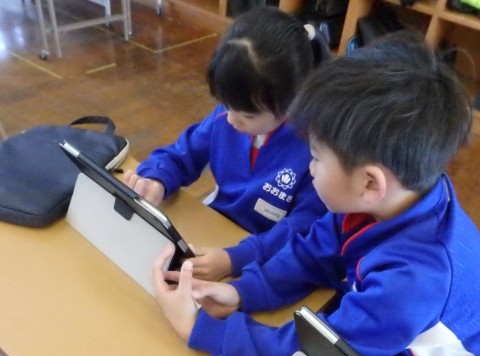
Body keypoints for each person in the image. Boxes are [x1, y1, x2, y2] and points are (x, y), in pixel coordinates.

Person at [152, 29, 480, 356]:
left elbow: (320, 354)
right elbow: (311, 254)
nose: (309, 168)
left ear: (370, 182)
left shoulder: (411, 281)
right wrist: (243, 291)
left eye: (316, 157)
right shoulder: (394, 197)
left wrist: (201, 330)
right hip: (405, 331)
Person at [125, 7, 329, 281]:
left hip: (264, 264)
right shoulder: (230, 114)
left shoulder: (316, 151)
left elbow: (303, 228)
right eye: (226, 104)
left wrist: (236, 259)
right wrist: (156, 180)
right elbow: (182, 154)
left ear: (291, 103)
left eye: (247, 115)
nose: (231, 120)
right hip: (216, 232)